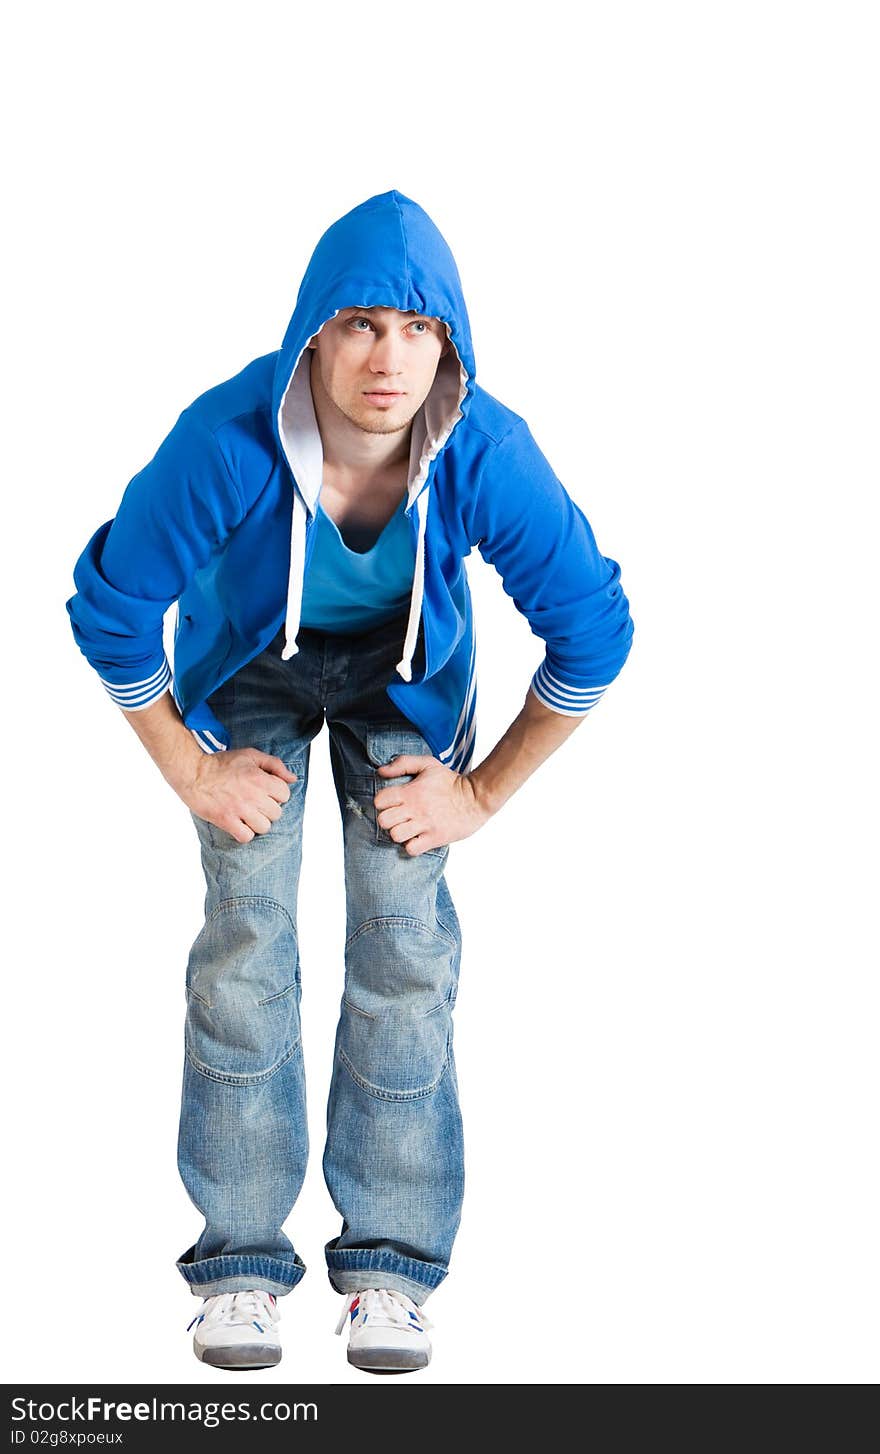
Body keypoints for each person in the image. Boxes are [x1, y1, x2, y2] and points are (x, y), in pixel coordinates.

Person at [65, 188, 635, 1374]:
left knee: (401, 944)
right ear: (313, 333)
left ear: (451, 347)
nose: (388, 359)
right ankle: (237, 1265)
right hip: (251, 670)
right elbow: (112, 607)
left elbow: (594, 629)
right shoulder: (226, 439)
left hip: (403, 685)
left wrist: (479, 795)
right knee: (247, 940)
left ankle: (388, 1270)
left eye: (417, 331)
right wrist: (187, 766)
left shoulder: (482, 448)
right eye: (361, 324)